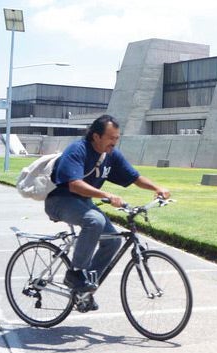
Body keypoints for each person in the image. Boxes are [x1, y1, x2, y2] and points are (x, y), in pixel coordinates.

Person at [45, 114, 170, 310]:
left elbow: (134, 177)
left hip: (83, 203)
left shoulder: (111, 156)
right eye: (111, 138)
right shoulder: (77, 150)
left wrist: (157, 188)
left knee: (113, 240)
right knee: (94, 221)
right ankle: (76, 274)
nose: (114, 142)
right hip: (60, 201)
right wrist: (107, 195)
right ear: (96, 136)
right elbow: (75, 185)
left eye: (117, 138)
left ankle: (85, 290)